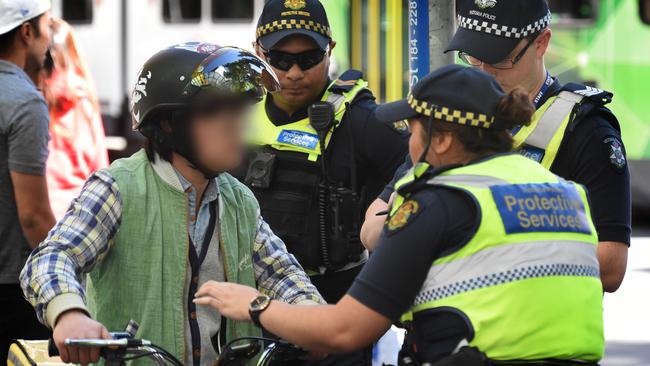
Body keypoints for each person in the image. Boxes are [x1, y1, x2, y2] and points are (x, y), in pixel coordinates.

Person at [194, 65, 605, 366]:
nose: (408, 142)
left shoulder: (437, 202)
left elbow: (346, 330)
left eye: (413, 131)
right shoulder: (565, 192)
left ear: (441, 140)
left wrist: (256, 305)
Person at [20, 43, 324, 366]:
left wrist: (311, 319)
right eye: (217, 111)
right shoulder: (118, 187)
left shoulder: (239, 201)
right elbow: (52, 257)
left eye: (240, 109)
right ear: (169, 123)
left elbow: (283, 274)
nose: (237, 124)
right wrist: (69, 314)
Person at [361, 0, 630, 293]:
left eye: (500, 58)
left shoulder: (586, 129)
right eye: (473, 56)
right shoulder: (450, 117)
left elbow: (611, 265)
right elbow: (373, 224)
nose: (483, 71)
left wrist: (458, 249)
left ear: (542, 43)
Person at [0, 0, 55, 362]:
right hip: (10, 287)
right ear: (27, 31)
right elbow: (33, 216)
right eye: (47, 26)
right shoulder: (23, 103)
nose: (50, 38)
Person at [39, 18, 109, 219]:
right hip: (81, 216)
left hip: (43, 213)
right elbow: (100, 168)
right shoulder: (84, 99)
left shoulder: (33, 102)